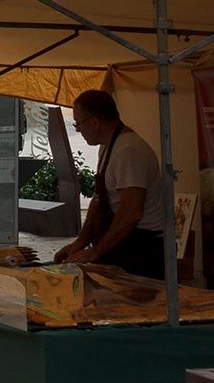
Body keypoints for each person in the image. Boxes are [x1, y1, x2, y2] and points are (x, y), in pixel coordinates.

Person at [56, 89, 167, 279]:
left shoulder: (128, 151)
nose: (78, 130)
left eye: (78, 124)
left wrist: (96, 251)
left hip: (140, 250)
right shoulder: (107, 146)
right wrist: (80, 243)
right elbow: (99, 200)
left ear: (95, 122)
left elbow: (131, 212)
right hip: (119, 245)